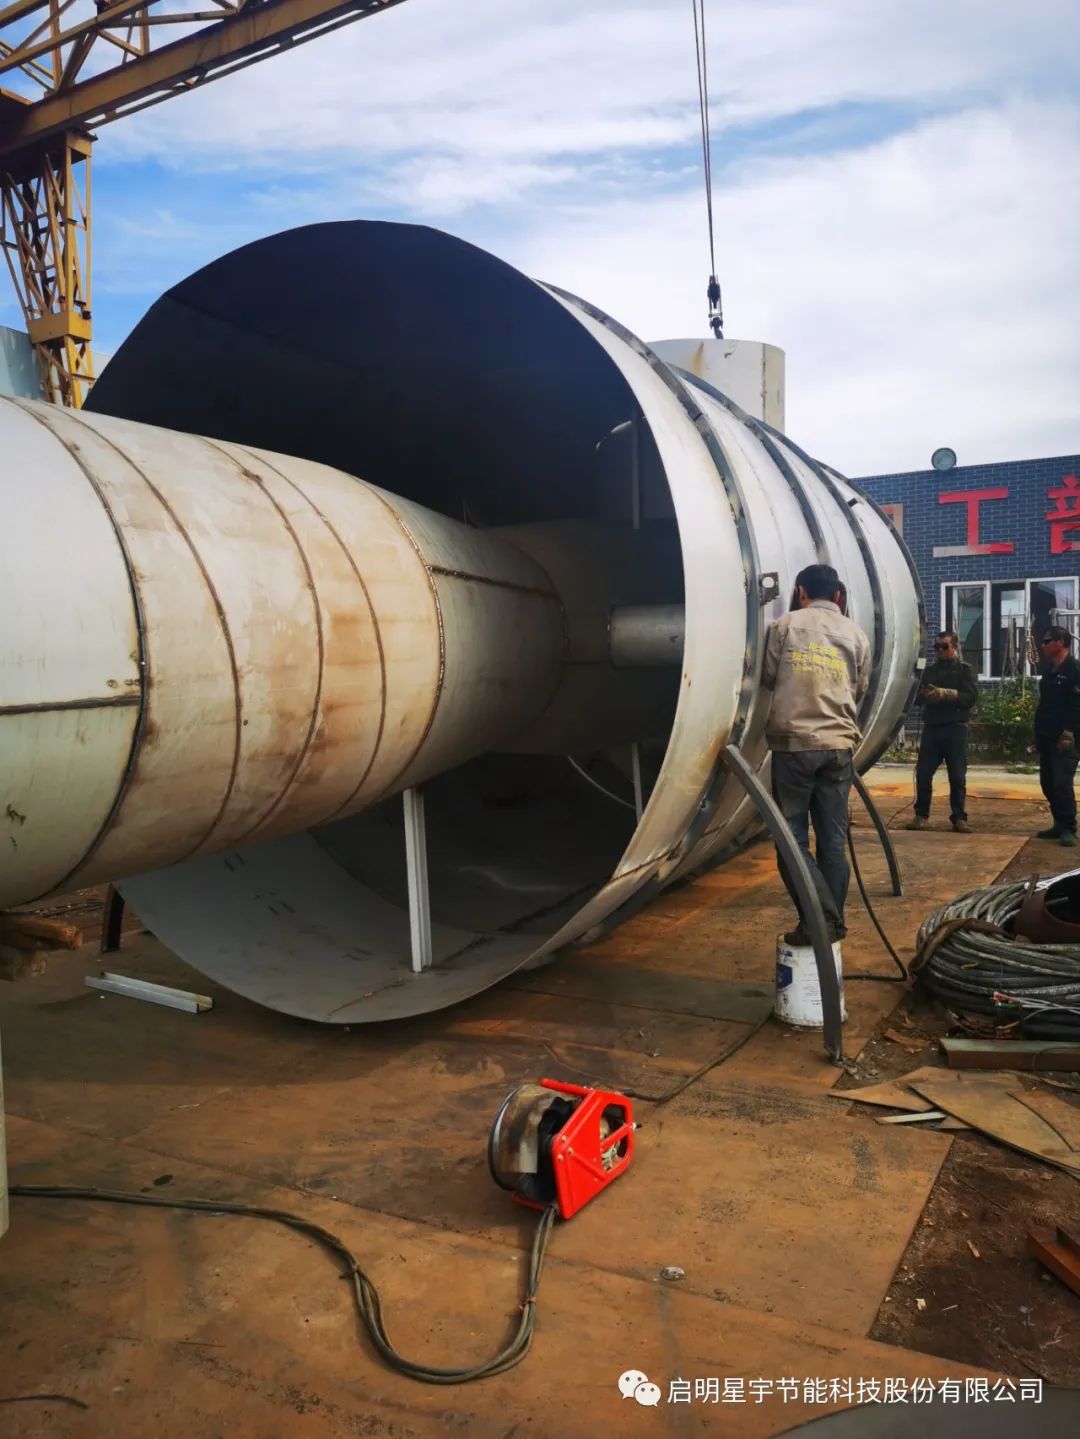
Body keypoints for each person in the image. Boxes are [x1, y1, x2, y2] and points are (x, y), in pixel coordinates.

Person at [762, 563, 871, 944]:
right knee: (833, 842)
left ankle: (820, 921)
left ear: (800, 592)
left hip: (795, 745)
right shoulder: (856, 633)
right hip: (838, 747)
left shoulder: (785, 626)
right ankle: (829, 923)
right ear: (838, 595)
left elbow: (768, 676)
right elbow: (859, 687)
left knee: (791, 840)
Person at [905, 631, 978, 834]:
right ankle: (921, 815)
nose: (940, 651)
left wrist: (946, 694)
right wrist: (925, 695)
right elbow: (916, 699)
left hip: (955, 728)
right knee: (923, 773)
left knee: (957, 776)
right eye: (937, 647)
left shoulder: (965, 671)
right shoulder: (930, 672)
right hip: (933, 728)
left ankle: (959, 818)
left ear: (956, 647)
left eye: (945, 647)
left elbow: (970, 698)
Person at [1033, 625, 1080, 847]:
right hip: (1047, 735)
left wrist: (1069, 732)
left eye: (1046, 641)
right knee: (1048, 783)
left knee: (1062, 783)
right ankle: (1059, 823)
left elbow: (1077, 706)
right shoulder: (1050, 669)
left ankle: (1069, 827)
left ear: (1060, 642)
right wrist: (1037, 735)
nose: (1042, 645)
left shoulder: (1074, 670)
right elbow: (1045, 705)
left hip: (1066, 738)